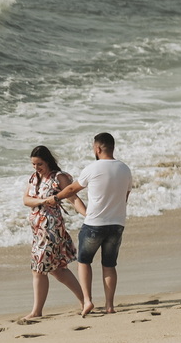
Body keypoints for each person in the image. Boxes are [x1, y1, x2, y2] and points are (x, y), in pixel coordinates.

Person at [44, 132, 132, 316]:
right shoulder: (125, 169)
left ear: (98, 148)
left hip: (94, 223)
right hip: (117, 224)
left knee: (84, 262)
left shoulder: (92, 168)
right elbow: (125, 198)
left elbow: (71, 189)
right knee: (109, 265)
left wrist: (55, 198)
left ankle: (88, 301)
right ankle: (110, 306)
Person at [21, 145, 88, 322]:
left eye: (39, 164)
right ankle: (85, 301)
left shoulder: (58, 178)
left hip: (51, 230)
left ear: (48, 161)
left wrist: (88, 215)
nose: (36, 168)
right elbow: (26, 200)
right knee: (58, 270)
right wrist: (43, 200)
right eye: (34, 164)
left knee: (38, 270)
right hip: (38, 232)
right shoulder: (34, 178)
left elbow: (73, 198)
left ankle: (36, 311)